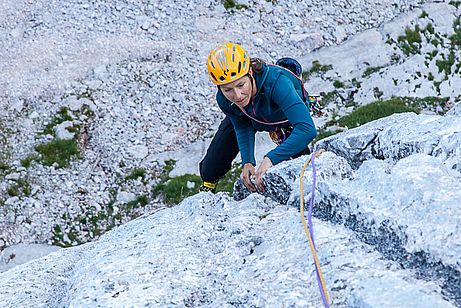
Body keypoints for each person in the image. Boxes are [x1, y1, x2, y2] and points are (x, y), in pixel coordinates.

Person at [199, 42, 317, 193]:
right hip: (250, 116)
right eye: (228, 89)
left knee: (303, 170)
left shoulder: (277, 82)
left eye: (241, 85)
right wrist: (247, 161)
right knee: (211, 167)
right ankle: (207, 189)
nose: (237, 95)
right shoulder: (225, 100)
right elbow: (242, 126)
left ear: (250, 73)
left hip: (283, 119)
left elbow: (307, 129)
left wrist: (271, 159)